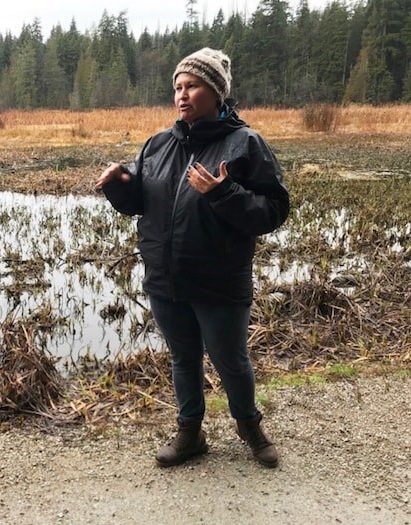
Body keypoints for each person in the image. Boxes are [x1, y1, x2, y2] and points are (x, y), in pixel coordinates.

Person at [95, 48, 289, 468]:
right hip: (166, 279)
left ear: (216, 92)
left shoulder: (245, 144)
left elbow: (273, 211)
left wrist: (222, 193)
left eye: (193, 86)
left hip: (218, 280)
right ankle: (190, 433)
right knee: (183, 360)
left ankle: (250, 428)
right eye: (177, 87)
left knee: (231, 361)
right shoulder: (158, 145)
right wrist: (121, 185)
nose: (182, 95)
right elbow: (140, 204)